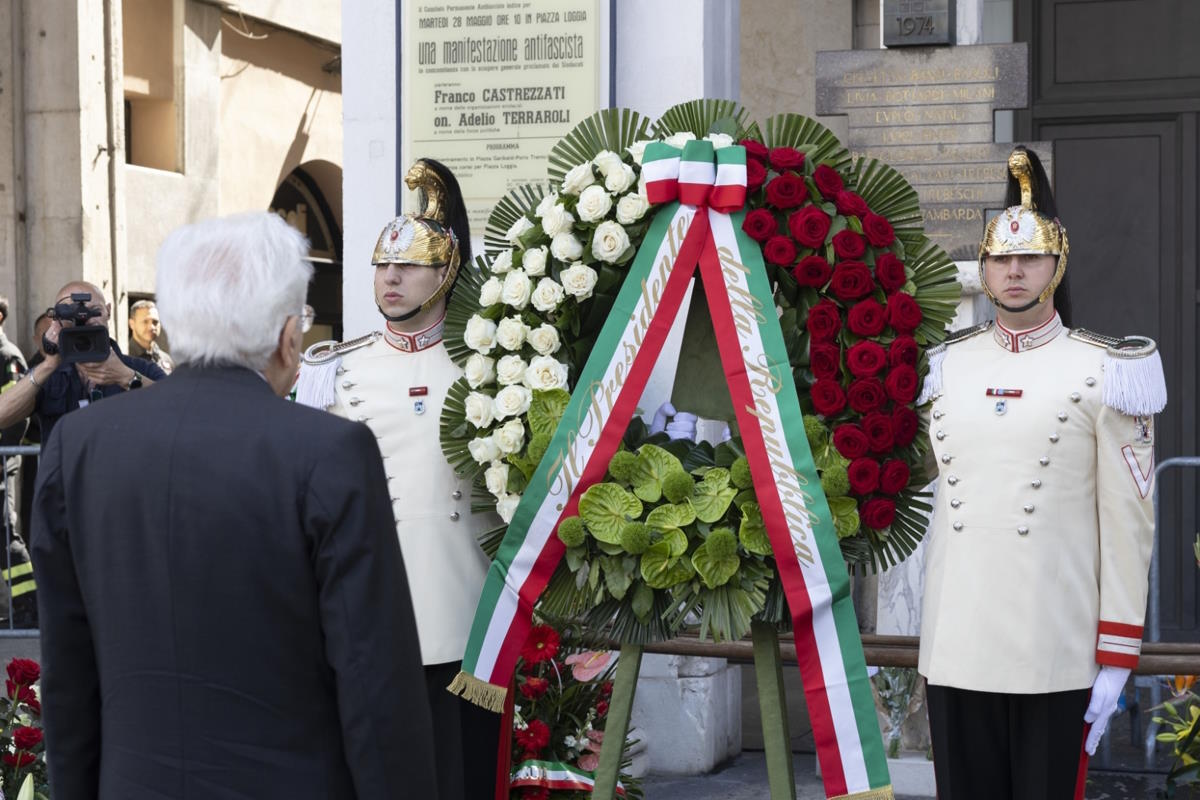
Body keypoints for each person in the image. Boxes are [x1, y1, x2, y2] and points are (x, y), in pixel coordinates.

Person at [30, 212, 438, 799]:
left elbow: (66, 673)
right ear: (288, 336)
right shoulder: (330, 452)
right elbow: (377, 690)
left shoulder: (80, 447)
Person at [917, 147, 1167, 799]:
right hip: (958, 641)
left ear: (1057, 263)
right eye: (1002, 258)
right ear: (985, 269)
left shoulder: (1107, 369)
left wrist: (1116, 653)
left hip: (1053, 646)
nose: (1016, 270)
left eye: (1030, 257)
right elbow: (911, 478)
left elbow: (1128, 523)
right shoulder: (945, 365)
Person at [295, 159, 499, 800]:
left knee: (465, 768)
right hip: (374, 602)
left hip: (467, 594)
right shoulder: (333, 369)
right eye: (384, 265)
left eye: (408, 266)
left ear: (445, 274)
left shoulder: (492, 361)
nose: (391, 278)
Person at [0, 282, 166, 439]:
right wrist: (49, 364)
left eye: (94, 310)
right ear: (56, 319)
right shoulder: (50, 376)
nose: (84, 320)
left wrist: (127, 377)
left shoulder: (140, 368)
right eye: (70, 313)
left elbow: (178, 409)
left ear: (108, 311)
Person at [127, 298, 175, 374]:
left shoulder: (166, 359)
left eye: (155, 322)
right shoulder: (123, 357)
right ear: (132, 324)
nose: (151, 327)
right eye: (145, 322)